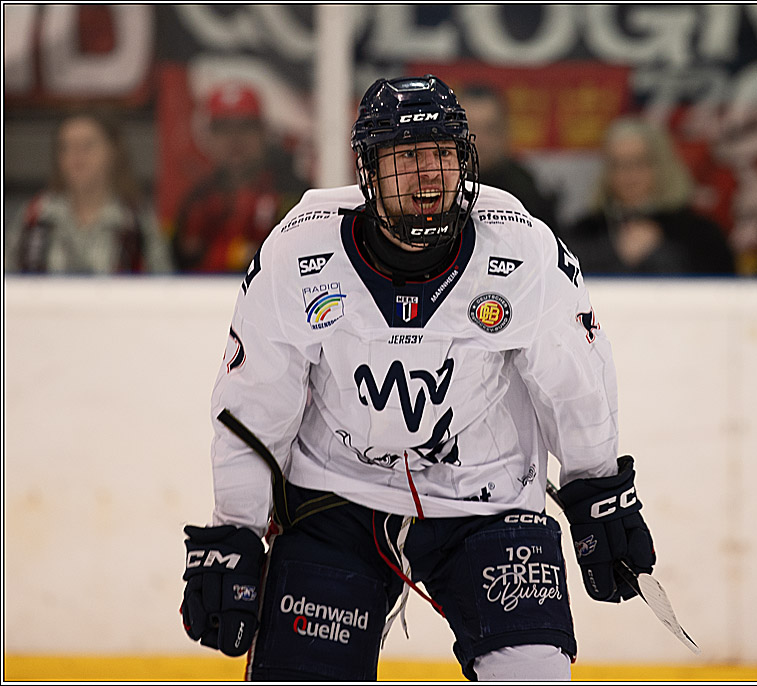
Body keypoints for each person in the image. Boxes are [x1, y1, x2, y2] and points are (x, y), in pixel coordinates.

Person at [180, 75, 659, 681]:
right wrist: (237, 532)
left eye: (442, 155)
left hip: (486, 499)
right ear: (369, 172)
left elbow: (573, 380)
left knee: (533, 672)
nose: (429, 174)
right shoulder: (297, 254)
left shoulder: (522, 248)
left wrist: (596, 491)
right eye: (407, 157)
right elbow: (254, 404)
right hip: (335, 501)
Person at [563, 116, 735, 275]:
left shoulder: (700, 233)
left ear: (663, 167)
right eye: (618, 165)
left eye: (639, 163)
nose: (628, 175)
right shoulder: (585, 231)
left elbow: (722, 293)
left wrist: (659, 252)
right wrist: (614, 254)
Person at [6, 110, 171, 274]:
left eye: (87, 146)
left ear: (113, 152)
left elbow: (164, 289)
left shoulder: (136, 222)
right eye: (66, 147)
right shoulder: (35, 216)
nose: (76, 156)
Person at [172, 81, 307, 273]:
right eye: (224, 129)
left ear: (263, 133)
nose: (235, 140)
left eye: (245, 127)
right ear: (209, 137)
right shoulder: (195, 204)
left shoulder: (294, 196)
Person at [459, 83, 561, 233]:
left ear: (505, 131)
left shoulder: (527, 192)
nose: (478, 141)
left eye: (490, 129)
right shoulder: (437, 183)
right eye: (469, 129)